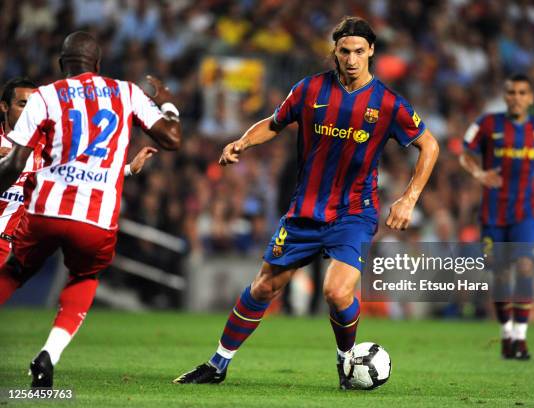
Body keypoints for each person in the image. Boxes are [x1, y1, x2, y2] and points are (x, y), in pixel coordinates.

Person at [174, 16, 439, 389]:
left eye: (359, 52)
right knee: (264, 287)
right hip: (304, 212)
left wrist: (409, 199)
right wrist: (242, 143)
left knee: (336, 291)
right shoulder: (309, 90)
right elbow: (274, 121)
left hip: (353, 214)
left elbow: (430, 145)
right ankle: (218, 364)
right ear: (335, 50)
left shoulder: (388, 103)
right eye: (345, 51)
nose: (351, 59)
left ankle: (346, 363)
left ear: (371, 52)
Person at [0, 31, 181, 388]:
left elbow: (16, 163)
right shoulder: (126, 92)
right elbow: (172, 138)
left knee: (15, 270)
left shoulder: (46, 95)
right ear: (98, 65)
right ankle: (49, 354)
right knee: (84, 276)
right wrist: (169, 103)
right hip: (95, 218)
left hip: (46, 209)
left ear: (61, 65)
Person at [0, 77, 158, 263]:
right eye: (22, 104)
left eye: (31, 106)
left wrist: (129, 169)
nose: (28, 111)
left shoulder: (48, 146)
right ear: (4, 107)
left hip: (14, 249)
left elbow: (82, 173)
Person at [460, 73, 534, 360]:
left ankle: (521, 338)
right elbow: (464, 153)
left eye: (521, 92)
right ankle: (506, 334)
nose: (516, 97)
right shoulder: (487, 124)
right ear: (505, 96)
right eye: (511, 92)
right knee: (501, 273)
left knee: (526, 266)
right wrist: (479, 173)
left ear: (530, 98)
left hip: (526, 213)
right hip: (492, 214)